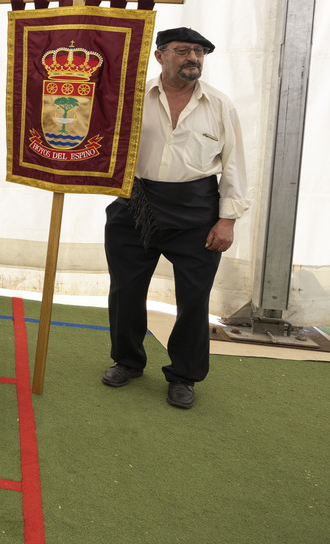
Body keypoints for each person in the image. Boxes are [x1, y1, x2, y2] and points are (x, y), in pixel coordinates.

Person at [102, 27, 248, 410]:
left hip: (198, 210)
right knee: (126, 290)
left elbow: (235, 167)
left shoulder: (220, 105)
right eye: (183, 51)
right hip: (135, 203)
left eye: (199, 52)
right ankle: (128, 361)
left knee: (194, 300)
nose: (193, 58)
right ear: (159, 56)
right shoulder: (131, 99)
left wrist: (228, 219)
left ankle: (184, 375)